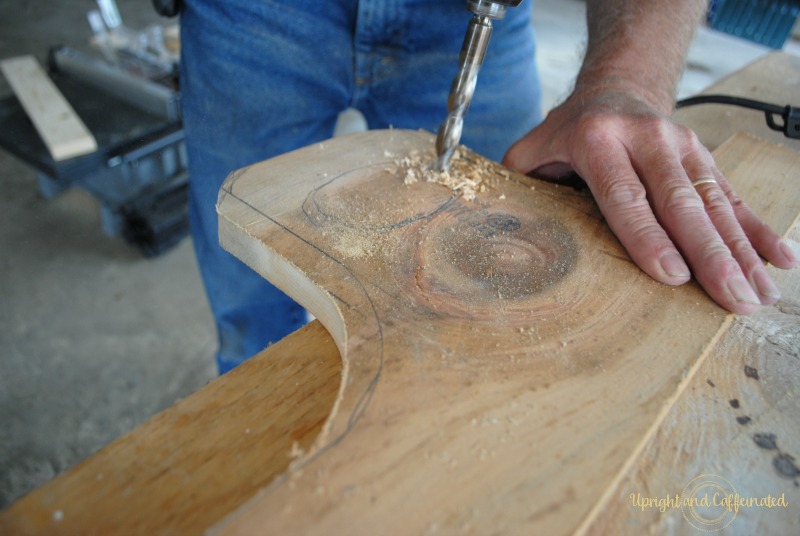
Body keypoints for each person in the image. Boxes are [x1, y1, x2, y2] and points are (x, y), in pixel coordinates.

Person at [178, 0, 797, 374]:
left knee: (496, 291)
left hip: (469, 20)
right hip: (251, 16)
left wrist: (627, 81)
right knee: (251, 290)